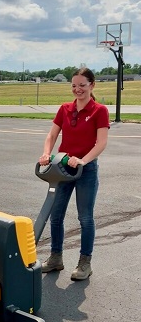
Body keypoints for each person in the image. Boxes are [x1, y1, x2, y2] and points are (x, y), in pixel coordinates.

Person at [39, 67, 110, 280]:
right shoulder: (64, 109)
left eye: (82, 85)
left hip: (85, 169)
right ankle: (55, 258)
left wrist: (83, 160)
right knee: (56, 215)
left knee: (85, 218)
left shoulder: (100, 111)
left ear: (92, 85)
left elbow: (102, 143)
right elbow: (51, 135)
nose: (77, 89)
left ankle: (85, 263)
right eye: (74, 85)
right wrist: (45, 153)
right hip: (62, 168)